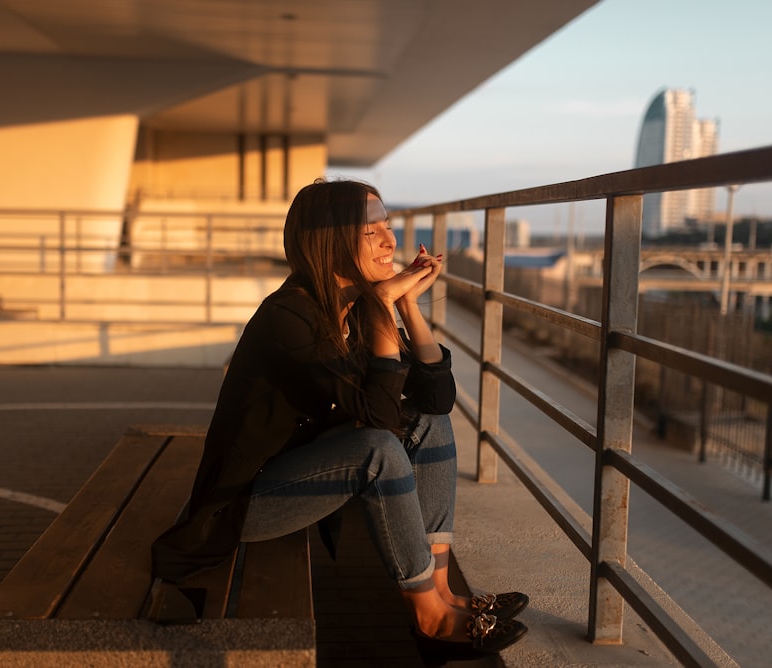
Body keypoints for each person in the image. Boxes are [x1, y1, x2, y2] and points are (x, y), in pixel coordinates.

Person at [151, 178, 528, 659]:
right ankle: (428, 619)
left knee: (428, 424)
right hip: (243, 504)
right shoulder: (290, 317)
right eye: (372, 232)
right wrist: (382, 306)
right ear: (328, 241)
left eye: (388, 227)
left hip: (298, 472)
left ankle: (443, 591)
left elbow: (436, 399)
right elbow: (377, 418)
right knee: (379, 449)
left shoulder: (345, 308)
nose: (391, 241)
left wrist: (407, 304)